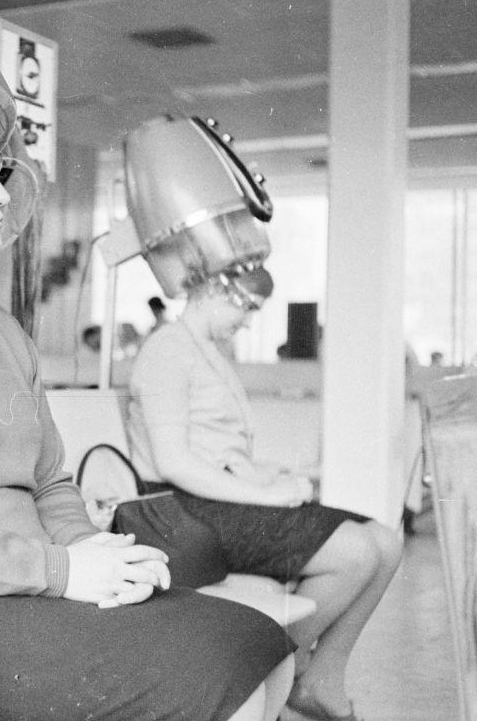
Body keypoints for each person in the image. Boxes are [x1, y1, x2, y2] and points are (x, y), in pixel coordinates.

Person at [0, 89, 296, 721]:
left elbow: (50, 481)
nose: (2, 195)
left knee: (261, 646)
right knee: (218, 678)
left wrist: (94, 551)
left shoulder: (0, 327)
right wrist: (62, 571)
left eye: (0, 175)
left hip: (23, 577)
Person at [127, 267, 402, 721]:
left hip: (215, 499)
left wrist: (269, 477)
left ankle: (321, 678)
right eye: (247, 307)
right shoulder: (167, 350)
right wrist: (269, 497)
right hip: (183, 511)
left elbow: (219, 452)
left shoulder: (206, 349)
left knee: (386, 543)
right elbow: (174, 462)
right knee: (355, 553)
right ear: (214, 289)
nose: (250, 320)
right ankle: (271, 662)